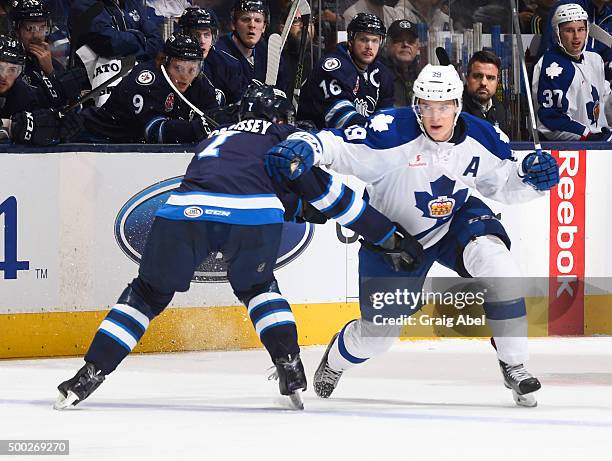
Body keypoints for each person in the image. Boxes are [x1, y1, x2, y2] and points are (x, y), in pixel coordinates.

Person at [53, 83, 420, 411]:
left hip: (183, 212)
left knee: (146, 295)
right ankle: (289, 363)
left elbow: (230, 177)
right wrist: (385, 235)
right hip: (252, 217)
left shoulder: (214, 137)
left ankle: (90, 373)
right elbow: (329, 196)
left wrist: (294, 204)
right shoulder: (285, 135)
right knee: (258, 289)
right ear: (281, 116)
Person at [265, 63, 560, 408]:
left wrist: (532, 180)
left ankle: (515, 363)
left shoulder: (482, 135)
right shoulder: (390, 131)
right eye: (426, 106)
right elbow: (338, 146)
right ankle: (337, 358)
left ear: (457, 105)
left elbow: (505, 182)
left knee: (501, 269)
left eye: (444, 106)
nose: (435, 116)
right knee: (377, 339)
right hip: (393, 239)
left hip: (455, 222)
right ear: (416, 104)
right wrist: (305, 143)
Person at [77, 33, 218, 143]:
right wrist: (197, 128)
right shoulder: (147, 80)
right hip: (97, 138)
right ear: (165, 62)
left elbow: (213, 115)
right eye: (179, 68)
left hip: (129, 146)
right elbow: (155, 132)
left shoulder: (197, 79)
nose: (185, 77)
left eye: (192, 69)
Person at [297, 12, 394, 129]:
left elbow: (386, 118)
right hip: (317, 137)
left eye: (375, 41)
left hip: (358, 138)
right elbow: (340, 118)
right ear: (351, 40)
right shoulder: (333, 68)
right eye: (363, 40)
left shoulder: (383, 74)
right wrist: (374, 132)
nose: (369, 46)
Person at [533, 3, 611, 141]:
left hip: (598, 140)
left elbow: (604, 101)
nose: (576, 36)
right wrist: (589, 136)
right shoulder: (552, 67)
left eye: (581, 29)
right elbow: (550, 121)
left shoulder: (594, 59)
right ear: (557, 32)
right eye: (569, 30)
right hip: (569, 147)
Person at [178, 6, 249, 106]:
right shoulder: (172, 65)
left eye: (207, 35)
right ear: (184, 35)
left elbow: (240, 105)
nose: (202, 41)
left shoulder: (229, 66)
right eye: (196, 35)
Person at [215, 0, 290, 94]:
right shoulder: (218, 54)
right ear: (233, 24)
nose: (252, 25)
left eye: (258, 20)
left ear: (264, 27)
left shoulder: (268, 54)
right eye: (246, 20)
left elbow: (282, 93)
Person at [11, 0, 64, 81]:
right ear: (17, 30)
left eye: (42, 28)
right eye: (29, 29)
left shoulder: (53, 64)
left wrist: (50, 71)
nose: (36, 35)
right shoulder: (6, 62)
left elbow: (67, 93)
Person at [463, 50, 508, 134]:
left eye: (490, 78)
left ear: (497, 81)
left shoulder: (499, 109)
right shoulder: (454, 109)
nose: (483, 83)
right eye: (477, 76)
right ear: (467, 78)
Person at [379, 19, 420, 107]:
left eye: (411, 41)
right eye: (398, 40)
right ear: (387, 45)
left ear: (417, 47)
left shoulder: (422, 75)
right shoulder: (377, 75)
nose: (405, 44)